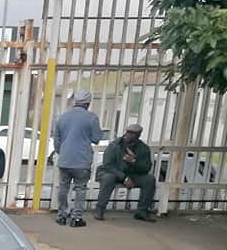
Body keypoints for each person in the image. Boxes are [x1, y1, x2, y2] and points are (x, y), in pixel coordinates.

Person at [53, 89, 104, 227]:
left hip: (65, 159)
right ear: (88, 103)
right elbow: (96, 138)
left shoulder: (62, 117)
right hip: (82, 160)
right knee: (80, 188)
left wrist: (62, 151)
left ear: (75, 101)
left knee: (63, 187)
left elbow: (57, 140)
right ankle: (76, 218)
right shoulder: (91, 118)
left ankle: (61, 216)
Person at [95, 124, 155, 222]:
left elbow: (146, 168)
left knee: (149, 179)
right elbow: (108, 165)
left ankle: (142, 212)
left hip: (132, 174)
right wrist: (124, 177)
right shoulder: (115, 145)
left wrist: (134, 162)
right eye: (128, 132)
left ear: (138, 135)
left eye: (132, 134)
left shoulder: (143, 148)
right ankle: (100, 209)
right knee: (108, 178)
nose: (128, 135)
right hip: (113, 173)